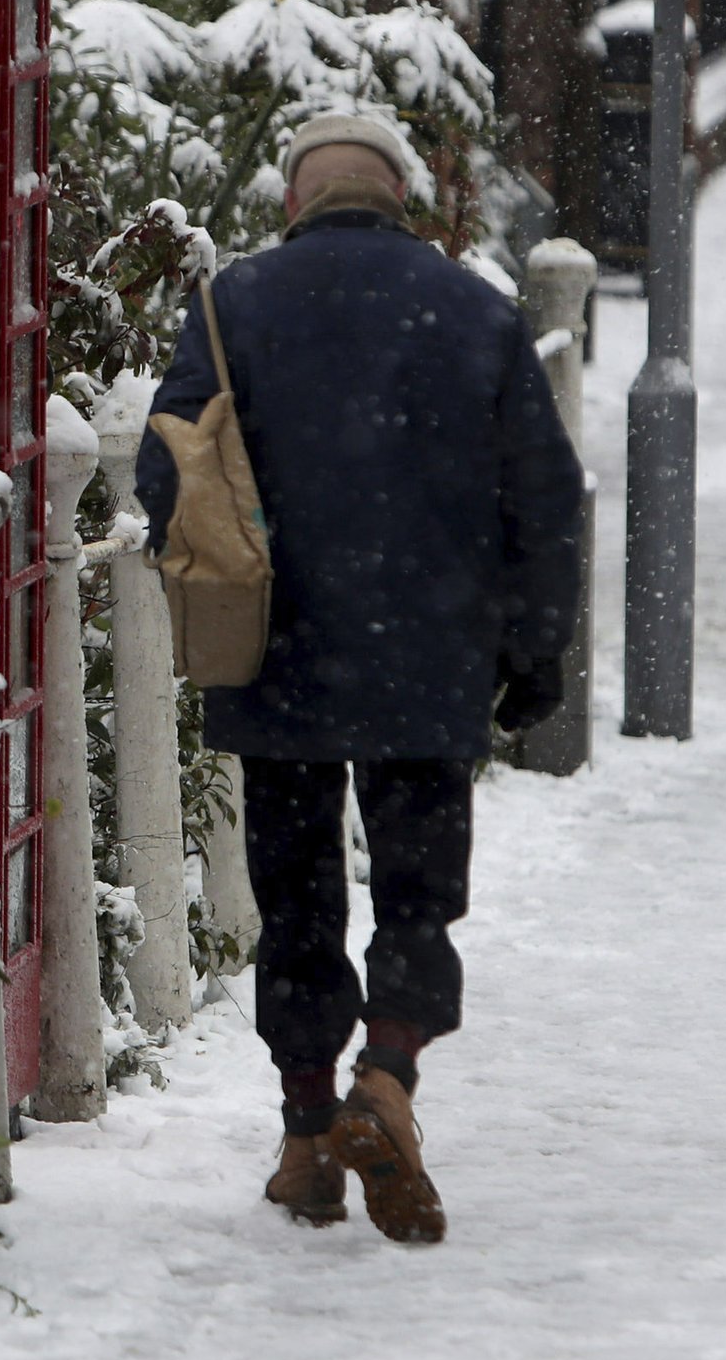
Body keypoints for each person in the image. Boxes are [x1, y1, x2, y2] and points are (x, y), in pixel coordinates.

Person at [135, 116, 584, 1244]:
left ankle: (304, 1135)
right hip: (430, 651)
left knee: (294, 898)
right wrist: (535, 653)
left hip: (279, 645)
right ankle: (385, 1076)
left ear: (297, 202)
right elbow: (547, 495)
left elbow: (164, 464)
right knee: (419, 884)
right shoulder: (473, 311)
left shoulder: (235, 305)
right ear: (401, 200)